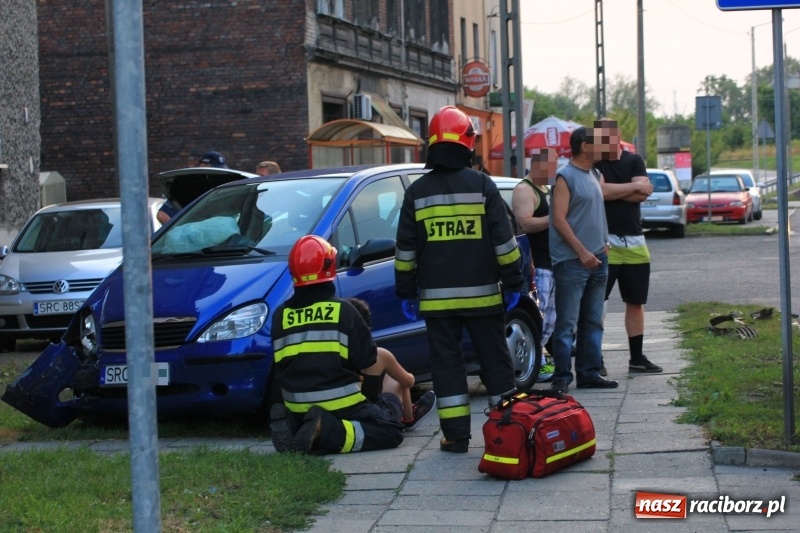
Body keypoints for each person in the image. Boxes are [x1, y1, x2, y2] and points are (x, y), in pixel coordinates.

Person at [394, 105, 525, 453]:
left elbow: (406, 250)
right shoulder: (482, 185)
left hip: (437, 303)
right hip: (484, 300)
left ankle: (455, 437)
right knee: (496, 363)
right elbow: (504, 243)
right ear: (467, 143)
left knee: (447, 366)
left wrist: (405, 292)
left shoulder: (416, 192)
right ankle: (507, 429)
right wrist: (514, 284)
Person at [268, 235, 405, 454]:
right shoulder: (344, 310)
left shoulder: (280, 315)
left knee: (306, 417)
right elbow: (366, 359)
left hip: (295, 404)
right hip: (340, 403)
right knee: (390, 430)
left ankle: (295, 426)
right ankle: (328, 432)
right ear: (329, 268)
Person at [549, 126, 617, 393]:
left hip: (598, 258)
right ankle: (562, 377)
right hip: (573, 262)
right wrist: (581, 251)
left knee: (593, 321)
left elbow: (591, 214)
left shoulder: (595, 174)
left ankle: (589, 373)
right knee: (566, 323)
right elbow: (558, 219)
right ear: (585, 146)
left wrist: (603, 242)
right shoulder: (565, 176)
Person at [593, 118, 663, 375]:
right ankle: (595, 358)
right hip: (603, 240)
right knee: (597, 302)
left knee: (636, 301)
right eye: (600, 138)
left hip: (635, 240)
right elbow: (599, 192)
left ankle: (636, 358)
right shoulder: (595, 163)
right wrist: (633, 186)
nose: (605, 143)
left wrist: (613, 191)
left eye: (608, 137)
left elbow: (644, 194)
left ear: (618, 135)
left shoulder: (634, 160)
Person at [346, 297, 437, 431]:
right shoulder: (379, 354)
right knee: (399, 378)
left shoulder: (336, 353)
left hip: (349, 413)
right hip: (380, 416)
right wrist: (408, 376)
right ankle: (409, 417)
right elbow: (408, 382)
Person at [511, 147, 558, 382]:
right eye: (551, 166)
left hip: (552, 261)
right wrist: (555, 217)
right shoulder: (524, 190)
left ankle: (544, 361)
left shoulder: (544, 188)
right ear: (538, 165)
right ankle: (535, 362)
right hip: (536, 264)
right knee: (541, 316)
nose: (554, 171)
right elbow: (526, 224)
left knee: (552, 318)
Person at [157, 150, 230, 224]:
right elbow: (162, 215)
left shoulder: (221, 192)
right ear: (202, 167)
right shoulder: (189, 188)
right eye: (215, 171)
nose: (218, 177)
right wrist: (180, 233)